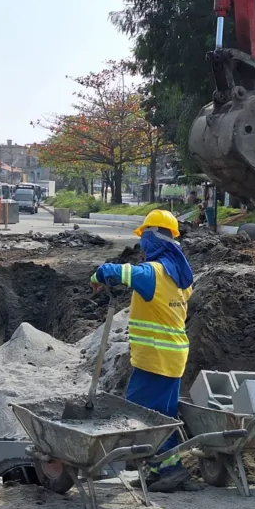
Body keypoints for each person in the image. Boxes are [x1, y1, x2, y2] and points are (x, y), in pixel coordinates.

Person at [90, 209, 193, 489]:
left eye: (144, 238)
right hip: (174, 356)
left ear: (151, 239)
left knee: (138, 413)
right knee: (163, 416)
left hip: (155, 359)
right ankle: (169, 468)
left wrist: (97, 278)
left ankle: (164, 470)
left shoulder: (153, 273)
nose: (142, 246)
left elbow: (112, 271)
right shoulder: (181, 275)